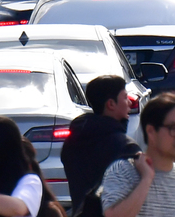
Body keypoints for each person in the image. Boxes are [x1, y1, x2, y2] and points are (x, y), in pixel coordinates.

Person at [59, 75, 138, 203]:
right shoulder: (125, 148)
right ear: (111, 104)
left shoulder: (74, 141)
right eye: (125, 97)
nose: (129, 103)